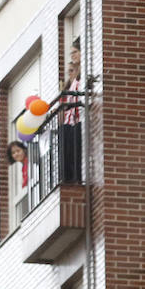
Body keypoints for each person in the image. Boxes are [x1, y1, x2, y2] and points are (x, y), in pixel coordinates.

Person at [58, 39, 83, 184]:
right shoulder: (70, 85)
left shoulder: (79, 81)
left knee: (75, 154)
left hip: (78, 121)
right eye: (71, 53)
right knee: (67, 153)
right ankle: (68, 179)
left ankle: (75, 178)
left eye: (75, 52)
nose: (72, 55)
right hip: (69, 122)